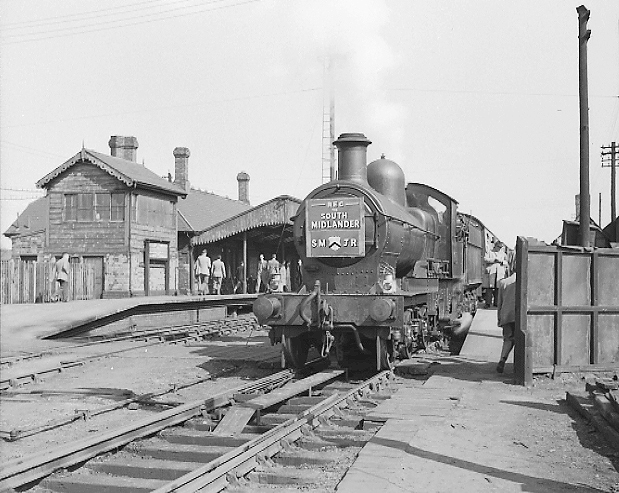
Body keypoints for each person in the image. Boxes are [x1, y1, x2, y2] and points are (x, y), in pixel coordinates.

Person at [496, 251, 516, 373]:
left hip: (507, 316)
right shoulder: (526, 282)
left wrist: (500, 319)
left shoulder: (504, 283)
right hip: (520, 317)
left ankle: (502, 360)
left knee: (507, 339)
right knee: (520, 340)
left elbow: (500, 304)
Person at [484, 241, 507, 307]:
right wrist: (494, 260)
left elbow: (507, 262)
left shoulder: (503, 254)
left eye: (501, 247)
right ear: (495, 246)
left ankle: (496, 303)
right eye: (498, 247)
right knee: (489, 288)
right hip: (491, 271)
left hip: (499, 272)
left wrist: (502, 262)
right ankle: (488, 303)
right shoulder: (489, 252)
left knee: (498, 288)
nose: (499, 248)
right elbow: (485, 259)